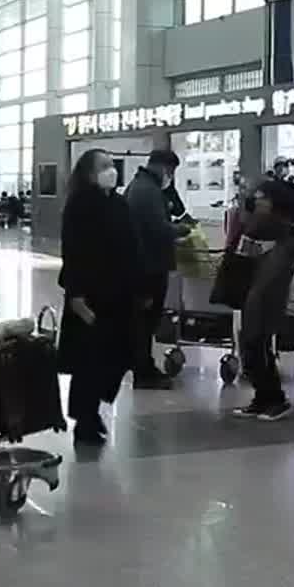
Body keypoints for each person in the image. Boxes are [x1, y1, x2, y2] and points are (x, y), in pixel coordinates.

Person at [57, 148, 138, 445]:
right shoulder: (80, 205)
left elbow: (131, 244)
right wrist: (76, 295)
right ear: (89, 173)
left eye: (111, 165)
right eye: (103, 166)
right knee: (89, 360)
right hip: (90, 295)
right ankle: (84, 418)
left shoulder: (118, 203)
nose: (111, 170)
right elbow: (73, 251)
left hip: (120, 294)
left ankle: (93, 409)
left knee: (115, 357)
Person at [231, 187, 294, 421]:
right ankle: (262, 398)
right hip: (254, 296)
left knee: (259, 346)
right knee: (251, 347)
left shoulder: (288, 238)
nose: (257, 205)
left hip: (268, 300)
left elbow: (275, 274)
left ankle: (276, 398)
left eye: (262, 201)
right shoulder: (260, 231)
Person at [124, 149, 188, 390]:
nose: (171, 176)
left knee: (143, 320)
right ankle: (144, 371)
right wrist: (179, 230)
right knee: (144, 320)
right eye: (171, 171)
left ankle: (143, 365)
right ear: (162, 167)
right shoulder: (146, 191)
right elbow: (156, 228)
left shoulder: (141, 186)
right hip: (146, 267)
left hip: (144, 264)